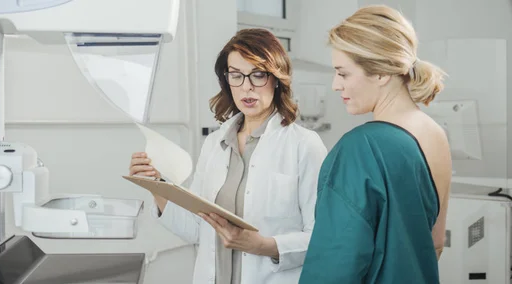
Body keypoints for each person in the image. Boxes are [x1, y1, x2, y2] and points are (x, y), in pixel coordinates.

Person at [129, 28, 327, 284]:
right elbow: (198, 228)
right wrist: (156, 186)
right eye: (236, 75)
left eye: (257, 75)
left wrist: (264, 245)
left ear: (276, 78)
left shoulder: (305, 145)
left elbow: (322, 236)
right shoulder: (215, 144)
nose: (246, 87)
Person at [298, 5, 452, 284]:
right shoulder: (435, 134)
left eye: (343, 73)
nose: (335, 84)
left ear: (381, 73)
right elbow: (435, 244)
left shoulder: (360, 149)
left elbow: (334, 267)